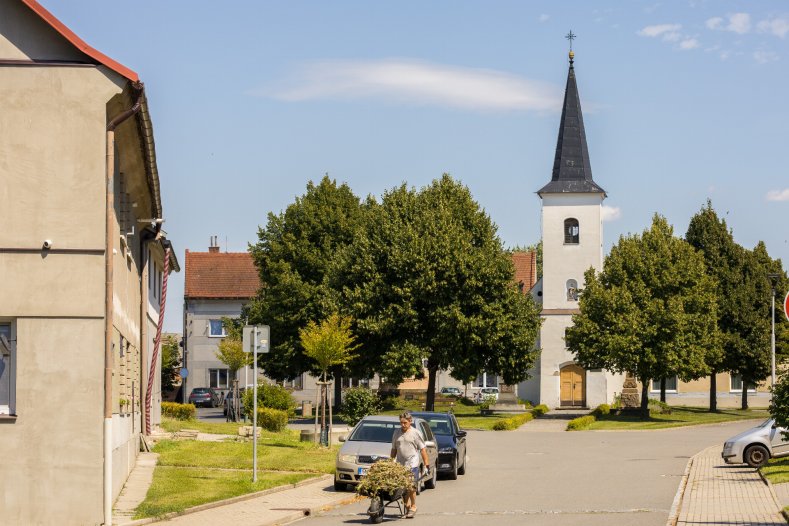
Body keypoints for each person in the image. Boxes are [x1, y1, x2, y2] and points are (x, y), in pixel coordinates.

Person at [391, 411, 430, 519]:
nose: (403, 425)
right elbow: (394, 449)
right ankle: (407, 506)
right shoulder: (396, 433)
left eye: (405, 423)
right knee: (402, 488)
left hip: (412, 464)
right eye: (401, 423)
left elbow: (422, 449)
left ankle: (413, 506)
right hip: (400, 465)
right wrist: (390, 462)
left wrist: (426, 466)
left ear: (410, 421)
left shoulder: (415, 433)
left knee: (411, 486)